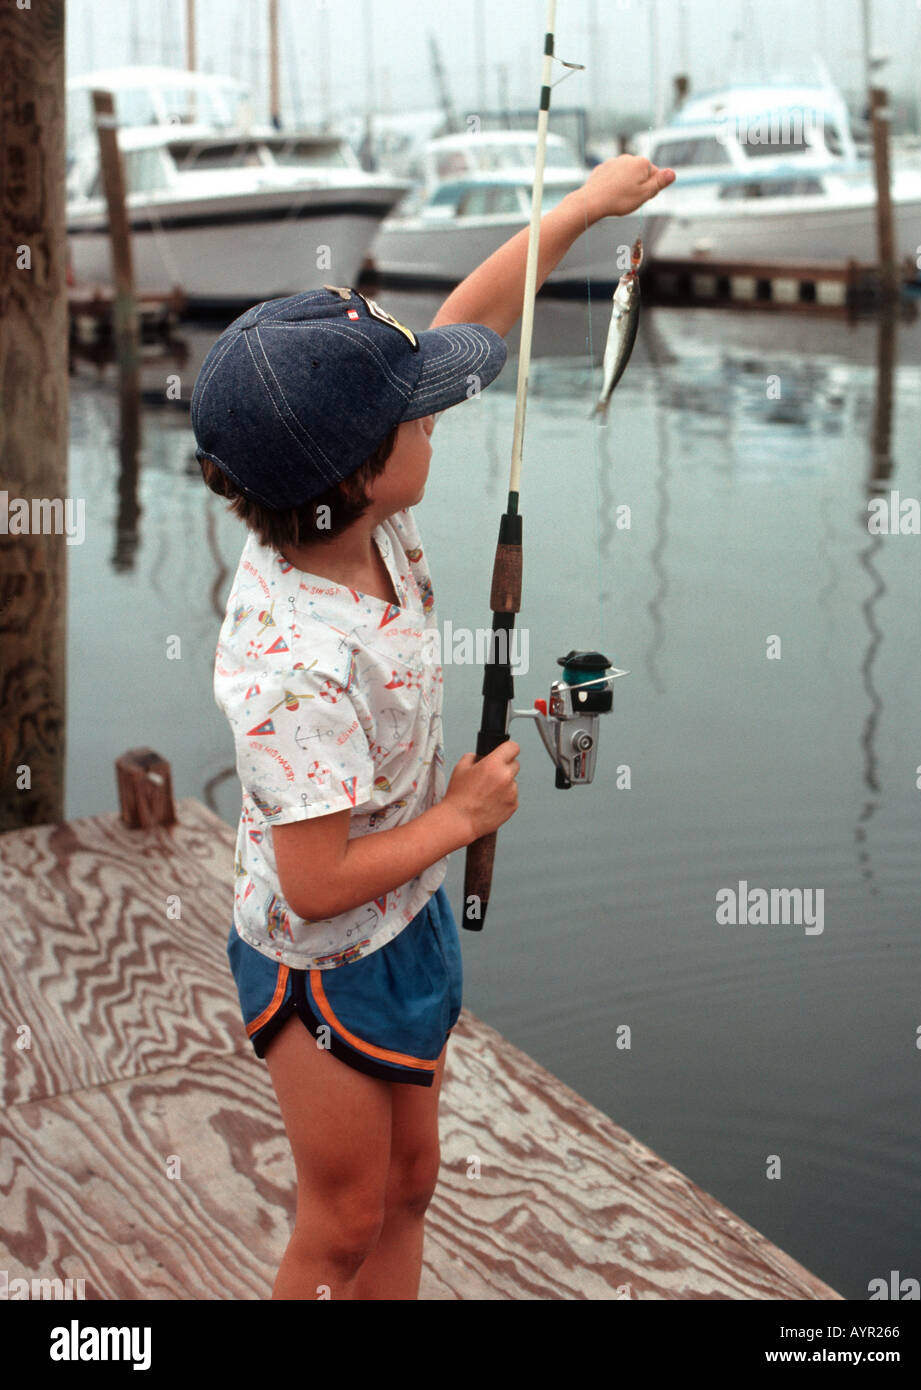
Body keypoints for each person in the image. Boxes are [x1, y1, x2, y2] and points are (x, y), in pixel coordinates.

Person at [193, 153, 675, 1302]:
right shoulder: (287, 663)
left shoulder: (352, 515)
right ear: (360, 470)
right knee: (342, 1218)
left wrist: (579, 209)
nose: (442, 413)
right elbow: (314, 883)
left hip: (403, 922)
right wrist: (460, 816)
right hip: (317, 963)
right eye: (416, 413)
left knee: (413, 1179)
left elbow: (468, 315)